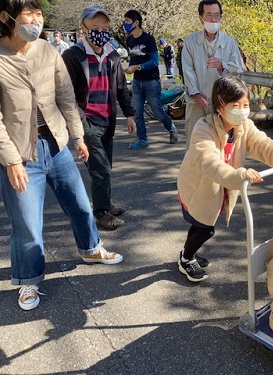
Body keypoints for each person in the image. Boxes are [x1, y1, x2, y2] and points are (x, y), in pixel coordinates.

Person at [0, 0, 123, 311]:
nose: (37, 20)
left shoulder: (46, 50)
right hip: (21, 152)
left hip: (55, 145)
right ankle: (29, 280)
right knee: (27, 222)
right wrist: (11, 160)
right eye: (29, 13)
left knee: (80, 205)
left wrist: (78, 137)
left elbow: (66, 96)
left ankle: (90, 248)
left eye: (39, 13)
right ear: (6, 17)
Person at [177, 76, 273, 282]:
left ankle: (188, 251)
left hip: (220, 186)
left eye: (245, 104)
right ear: (220, 104)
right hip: (198, 186)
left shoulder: (244, 126)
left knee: (201, 224)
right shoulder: (203, 129)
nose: (242, 110)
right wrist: (239, 175)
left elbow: (263, 144)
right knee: (205, 228)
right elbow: (209, 163)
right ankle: (186, 258)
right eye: (236, 105)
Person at [62, 4, 136, 230]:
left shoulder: (112, 55)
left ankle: (104, 202)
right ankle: (101, 213)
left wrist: (130, 114)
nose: (101, 31)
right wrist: (79, 127)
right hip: (87, 122)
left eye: (105, 27)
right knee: (100, 169)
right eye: (95, 26)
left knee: (105, 168)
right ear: (82, 28)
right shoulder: (72, 56)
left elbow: (122, 88)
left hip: (108, 120)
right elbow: (67, 95)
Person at [182, 0, 244, 148]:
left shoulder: (229, 42)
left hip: (220, 102)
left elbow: (239, 70)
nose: (213, 20)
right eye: (209, 15)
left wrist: (223, 65)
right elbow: (187, 69)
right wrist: (195, 93)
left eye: (217, 15)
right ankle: (194, 171)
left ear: (221, 17)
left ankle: (217, 171)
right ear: (201, 18)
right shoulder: (190, 41)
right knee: (194, 141)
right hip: (196, 101)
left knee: (219, 143)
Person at [123, 9, 178, 149]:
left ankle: (172, 129)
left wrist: (137, 67)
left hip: (151, 81)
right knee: (137, 112)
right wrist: (128, 69)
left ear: (136, 22)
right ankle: (142, 139)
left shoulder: (148, 39)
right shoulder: (129, 40)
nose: (125, 24)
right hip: (137, 82)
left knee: (157, 111)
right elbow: (133, 59)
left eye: (128, 21)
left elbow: (154, 61)